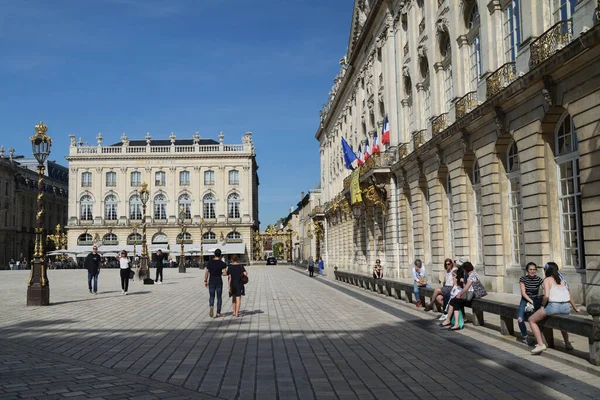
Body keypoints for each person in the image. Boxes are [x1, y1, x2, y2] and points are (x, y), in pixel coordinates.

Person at [529, 262, 580, 354]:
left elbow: (546, 296)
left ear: (547, 270)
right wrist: (575, 308)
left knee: (532, 320)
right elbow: (569, 296)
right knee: (562, 324)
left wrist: (542, 306)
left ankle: (540, 344)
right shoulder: (562, 280)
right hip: (566, 307)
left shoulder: (547, 280)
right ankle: (567, 343)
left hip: (553, 307)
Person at [440, 262, 479, 330]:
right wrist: (457, 277)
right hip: (469, 294)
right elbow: (466, 283)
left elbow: (466, 287)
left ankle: (456, 324)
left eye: (464, 269)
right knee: (453, 301)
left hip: (470, 296)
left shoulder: (471, 275)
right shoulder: (472, 274)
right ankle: (448, 320)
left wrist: (459, 294)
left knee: (455, 301)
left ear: (466, 269)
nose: (463, 271)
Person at [518, 262, 544, 344]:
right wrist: (532, 302)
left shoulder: (539, 279)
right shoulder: (523, 279)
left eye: (534, 269)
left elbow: (545, 288)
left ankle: (540, 338)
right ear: (527, 270)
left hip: (536, 299)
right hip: (525, 299)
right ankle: (525, 337)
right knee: (520, 319)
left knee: (539, 318)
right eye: (530, 269)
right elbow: (523, 293)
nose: (532, 271)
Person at [204, 248, 227, 318]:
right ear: (220, 255)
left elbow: (207, 272)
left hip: (211, 281)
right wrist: (222, 273)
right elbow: (225, 273)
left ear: (214, 254)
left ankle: (211, 306)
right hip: (219, 281)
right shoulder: (222, 263)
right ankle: (218, 312)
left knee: (211, 296)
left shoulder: (210, 262)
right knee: (219, 297)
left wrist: (205, 280)